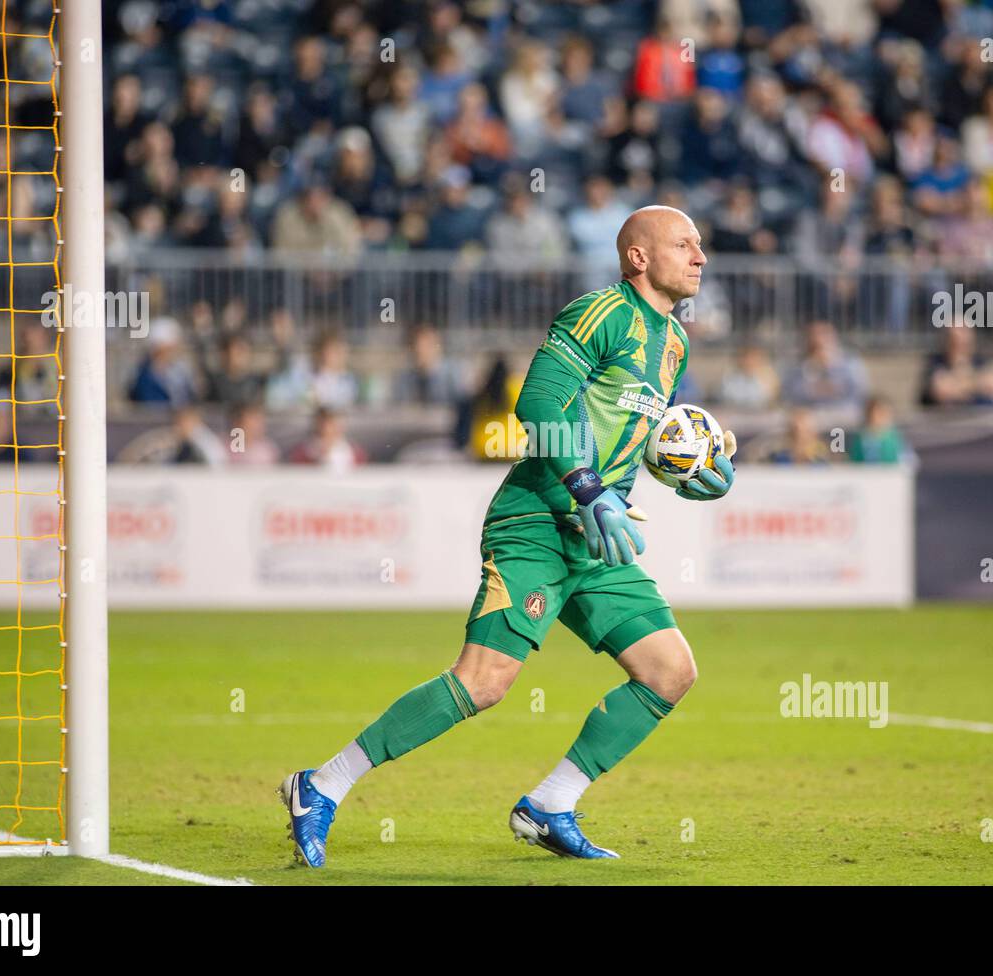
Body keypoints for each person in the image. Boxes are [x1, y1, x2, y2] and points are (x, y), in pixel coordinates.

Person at [280, 205, 737, 867]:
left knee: (670, 672)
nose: (700, 256)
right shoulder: (600, 312)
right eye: (684, 243)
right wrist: (584, 486)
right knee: (485, 681)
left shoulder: (674, 343)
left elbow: (627, 430)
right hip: (538, 523)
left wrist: (689, 464)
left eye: (700, 245)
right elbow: (540, 404)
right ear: (638, 256)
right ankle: (319, 785)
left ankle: (550, 805)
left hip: (599, 539)